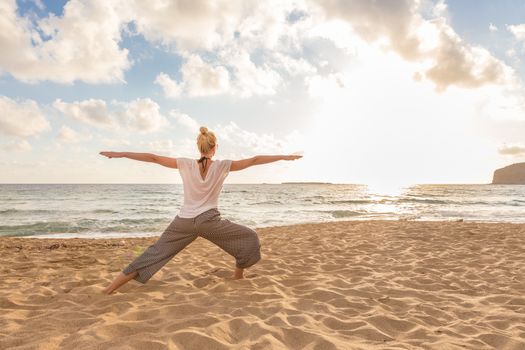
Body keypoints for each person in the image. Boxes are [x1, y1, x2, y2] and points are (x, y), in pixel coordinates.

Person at [99, 126, 302, 294]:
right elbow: (255, 159)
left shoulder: (185, 163)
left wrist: (121, 154)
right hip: (208, 221)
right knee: (249, 238)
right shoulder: (223, 166)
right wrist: (284, 157)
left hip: (183, 222)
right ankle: (238, 275)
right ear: (214, 148)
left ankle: (109, 289)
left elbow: (153, 158)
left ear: (199, 147)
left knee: (154, 253)